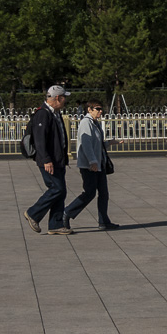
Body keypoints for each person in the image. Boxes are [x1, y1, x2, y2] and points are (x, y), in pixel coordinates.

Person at [23, 85, 74, 236]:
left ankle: (56, 224)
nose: (66, 101)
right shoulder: (43, 114)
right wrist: (46, 160)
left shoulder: (55, 113)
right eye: (65, 98)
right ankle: (33, 213)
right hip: (49, 160)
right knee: (56, 188)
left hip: (57, 160)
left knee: (61, 191)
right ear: (57, 98)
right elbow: (40, 140)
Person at [64, 99, 121, 230]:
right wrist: (92, 161)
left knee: (104, 193)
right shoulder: (86, 123)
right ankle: (67, 213)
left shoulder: (95, 123)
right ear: (89, 109)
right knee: (89, 193)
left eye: (101, 109)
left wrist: (110, 143)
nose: (100, 112)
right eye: (98, 109)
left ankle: (104, 221)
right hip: (89, 165)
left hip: (99, 164)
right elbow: (86, 144)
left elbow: (97, 144)